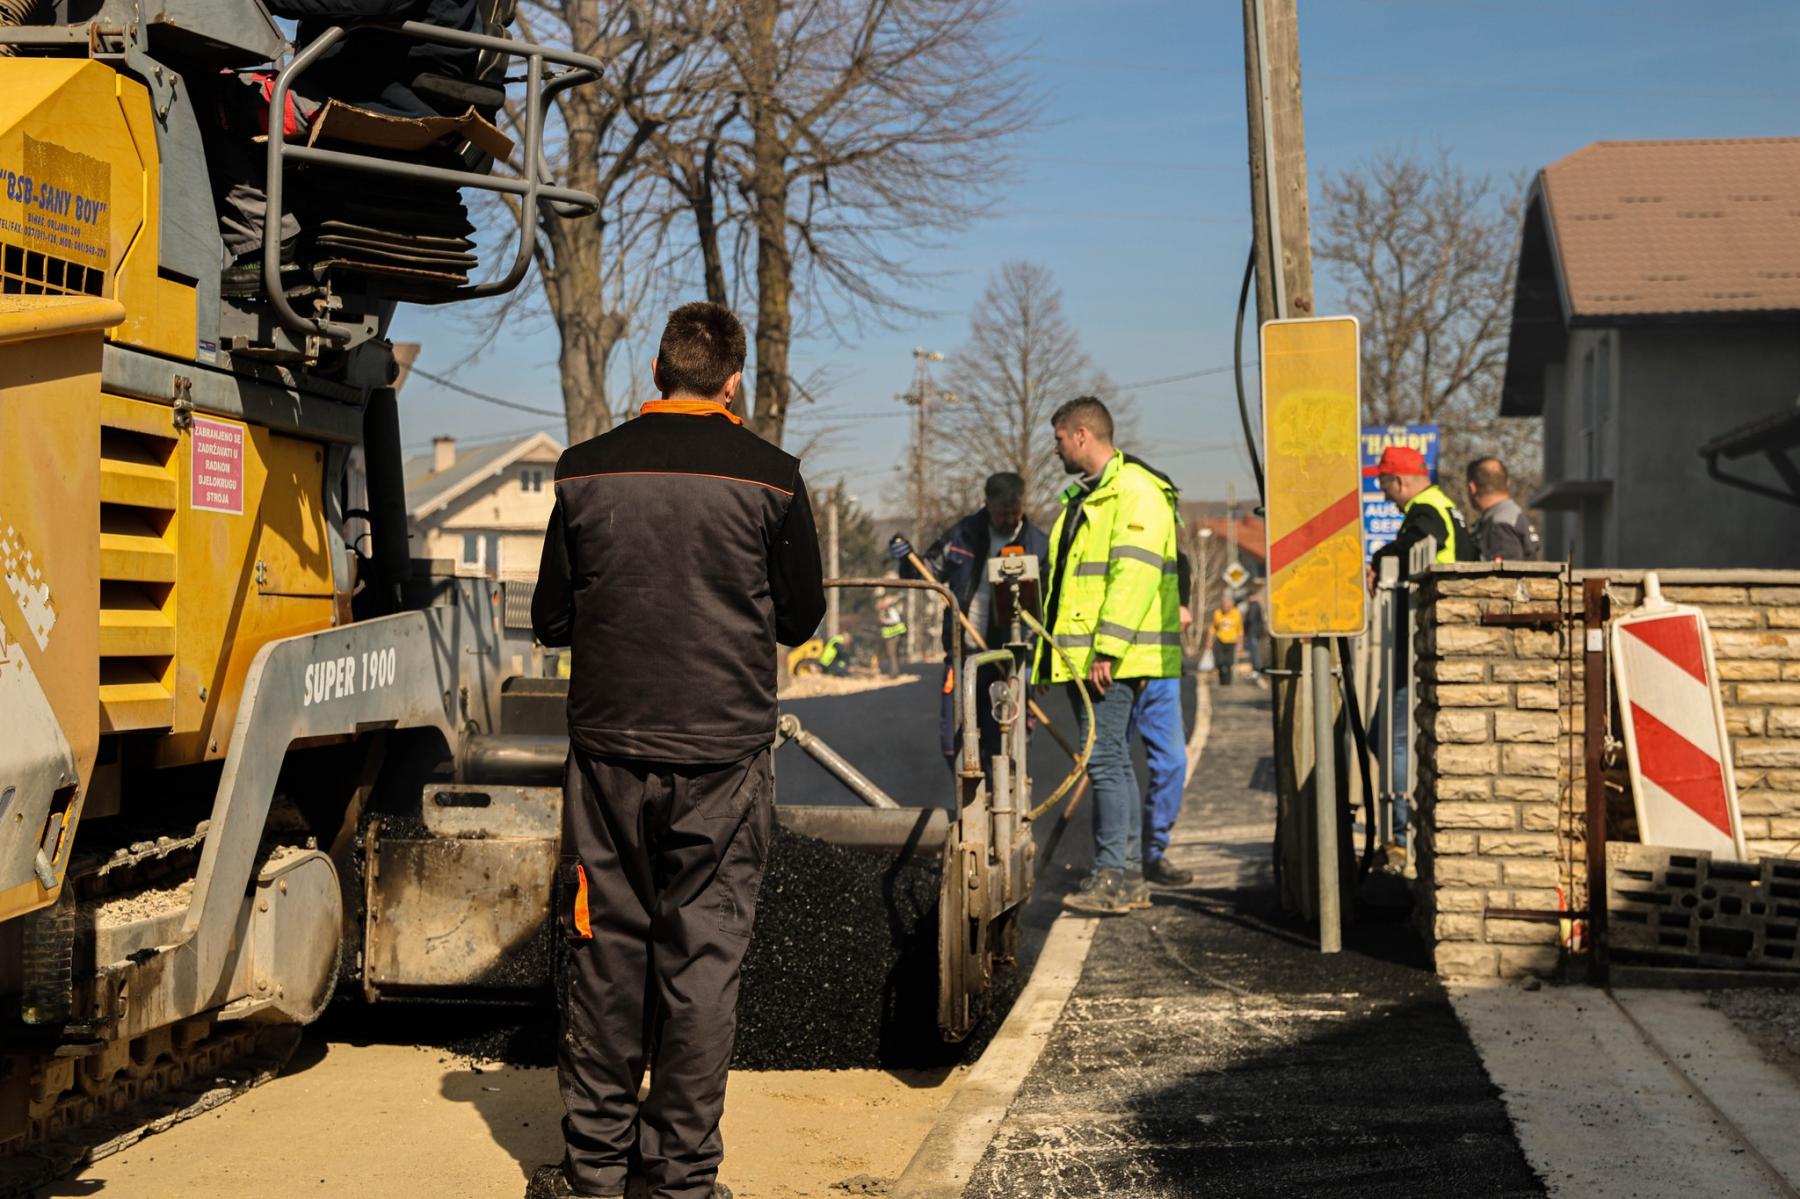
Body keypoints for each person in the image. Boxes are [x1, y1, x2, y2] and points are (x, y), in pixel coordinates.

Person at [528, 302, 825, 1199]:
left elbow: (550, 620)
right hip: (725, 761)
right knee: (701, 966)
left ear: (656, 368)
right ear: (731, 381)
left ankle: (593, 1174)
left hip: (609, 757)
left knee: (606, 955)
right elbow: (802, 616)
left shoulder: (582, 473)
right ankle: (683, 1182)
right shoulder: (774, 480)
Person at [1036, 397, 1181, 917]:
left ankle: (1114, 874)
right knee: (1112, 759)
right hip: (1089, 657)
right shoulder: (1093, 498)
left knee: (1105, 760)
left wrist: (1107, 649)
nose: (1054, 449)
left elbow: (1133, 576)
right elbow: (1067, 591)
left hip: (1109, 658)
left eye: (1057, 439)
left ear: (1080, 435)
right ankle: (1128, 875)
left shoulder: (1134, 494)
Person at [894, 472, 1050, 774]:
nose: (1009, 519)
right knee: (954, 741)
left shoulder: (1037, 546)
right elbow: (924, 574)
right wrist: (906, 559)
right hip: (963, 653)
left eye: (1014, 512)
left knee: (1005, 744)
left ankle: (1001, 807)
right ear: (987, 503)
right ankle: (971, 803)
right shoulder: (963, 535)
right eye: (1002, 512)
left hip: (1008, 662)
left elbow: (1047, 607)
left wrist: (1035, 661)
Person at [1128, 551, 1194, 888]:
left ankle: (1153, 853)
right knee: (1115, 770)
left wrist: (1184, 601)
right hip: (1116, 673)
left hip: (1161, 670)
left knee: (1173, 764)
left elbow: (1180, 565)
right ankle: (1119, 862)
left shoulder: (1175, 557)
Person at [1465, 457, 1541, 562]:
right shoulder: (1512, 515)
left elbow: (1506, 576)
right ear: (1507, 482)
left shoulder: (1499, 525)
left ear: (1472, 488)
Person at [1205, 593, 1243, 686]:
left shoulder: (1236, 614)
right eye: (1224, 606)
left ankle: (1227, 682)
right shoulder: (1217, 613)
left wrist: (1240, 644)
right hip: (1219, 640)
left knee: (1229, 663)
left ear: (1231, 605)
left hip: (1231, 641)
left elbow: (1240, 630)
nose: (1225, 608)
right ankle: (1221, 679)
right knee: (1220, 662)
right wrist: (1209, 641)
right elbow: (1212, 628)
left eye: (1227, 606)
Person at [875, 589, 907, 675]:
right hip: (891, 635)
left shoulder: (890, 610)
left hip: (894, 635)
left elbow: (895, 620)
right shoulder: (886, 611)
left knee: (891, 653)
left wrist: (884, 621)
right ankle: (893, 671)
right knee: (891, 654)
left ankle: (894, 672)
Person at [1240, 586, 1266, 681]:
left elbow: (1250, 619)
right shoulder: (1256, 605)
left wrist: (1244, 622)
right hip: (1255, 632)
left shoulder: (1254, 605)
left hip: (1253, 632)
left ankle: (1257, 671)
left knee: (1254, 653)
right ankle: (1256, 670)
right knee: (1254, 652)